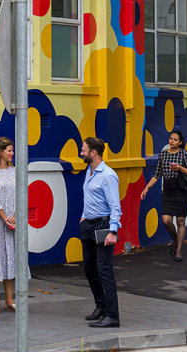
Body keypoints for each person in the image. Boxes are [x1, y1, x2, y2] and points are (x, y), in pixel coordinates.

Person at [79, 136, 121, 328]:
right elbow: (90, 197)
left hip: (103, 226)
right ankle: (101, 306)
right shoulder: (89, 171)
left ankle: (113, 315)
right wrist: (83, 215)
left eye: (84, 149)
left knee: (104, 270)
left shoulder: (108, 175)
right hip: (88, 225)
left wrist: (113, 231)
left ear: (93, 152)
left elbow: (115, 207)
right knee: (89, 268)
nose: (81, 152)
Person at [0, 136, 26, 313]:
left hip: (13, 219)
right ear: (0, 152)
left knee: (11, 257)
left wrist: (15, 215)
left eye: (12, 150)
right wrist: (4, 217)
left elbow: (21, 194)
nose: (12, 153)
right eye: (9, 150)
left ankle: (9, 299)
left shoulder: (15, 171)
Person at [140, 129, 187, 262]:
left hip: (181, 190)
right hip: (168, 191)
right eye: (171, 138)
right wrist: (146, 188)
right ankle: (176, 239)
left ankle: (178, 251)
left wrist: (180, 168)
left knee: (180, 221)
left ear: (181, 142)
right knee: (166, 220)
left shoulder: (184, 154)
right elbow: (157, 174)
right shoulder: (163, 154)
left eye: (176, 139)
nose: (172, 141)